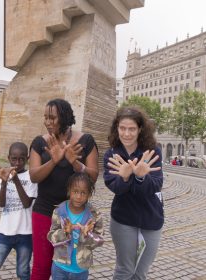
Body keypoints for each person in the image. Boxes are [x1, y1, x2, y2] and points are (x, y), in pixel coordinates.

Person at [29, 98, 99, 280]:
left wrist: (74, 162)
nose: (47, 122)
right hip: (44, 212)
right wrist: (54, 160)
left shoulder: (85, 141)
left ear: (65, 117)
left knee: (72, 265)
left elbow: (93, 177)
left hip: (75, 214)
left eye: (52, 117)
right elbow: (34, 176)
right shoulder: (39, 143)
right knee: (41, 266)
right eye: (45, 117)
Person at [103, 106, 164, 280]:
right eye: (123, 128)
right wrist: (123, 178)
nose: (127, 134)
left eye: (132, 129)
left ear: (140, 130)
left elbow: (156, 185)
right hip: (123, 218)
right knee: (125, 270)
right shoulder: (111, 154)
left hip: (151, 218)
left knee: (140, 272)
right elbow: (115, 188)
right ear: (117, 128)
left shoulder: (152, 152)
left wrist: (141, 178)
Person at [0, 142, 37, 280]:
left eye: (21, 159)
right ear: (8, 158)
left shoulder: (32, 177)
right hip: (5, 232)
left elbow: (26, 203)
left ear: (27, 158)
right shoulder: (3, 175)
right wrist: (5, 182)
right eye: (14, 159)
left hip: (25, 233)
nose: (17, 163)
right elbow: (1, 203)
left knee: (23, 272)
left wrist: (16, 179)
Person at [47, 172, 104, 280]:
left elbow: (99, 240)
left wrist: (87, 235)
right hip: (60, 266)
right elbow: (51, 236)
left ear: (89, 194)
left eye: (83, 193)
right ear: (69, 191)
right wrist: (65, 232)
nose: (78, 197)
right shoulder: (59, 211)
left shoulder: (94, 215)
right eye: (75, 191)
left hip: (80, 270)